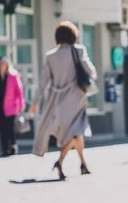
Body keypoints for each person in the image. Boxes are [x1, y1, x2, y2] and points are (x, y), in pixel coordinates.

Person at [29, 21, 97, 179]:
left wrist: (34, 103)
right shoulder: (79, 50)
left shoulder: (51, 56)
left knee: (75, 133)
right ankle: (61, 162)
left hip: (57, 102)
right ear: (73, 35)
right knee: (75, 132)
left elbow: (42, 82)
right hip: (77, 99)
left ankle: (82, 165)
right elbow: (92, 72)